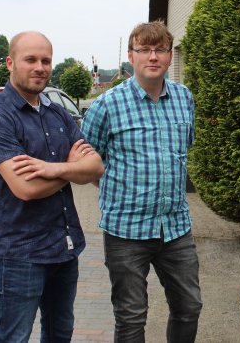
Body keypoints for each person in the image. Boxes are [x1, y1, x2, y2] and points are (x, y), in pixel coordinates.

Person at [0, 31, 104, 343]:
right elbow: (26, 188)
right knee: (14, 337)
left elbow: (96, 167)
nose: (40, 67)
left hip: (64, 246)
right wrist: (73, 169)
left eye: (46, 60)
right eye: (30, 59)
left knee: (60, 334)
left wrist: (52, 169)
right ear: (10, 63)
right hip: (22, 253)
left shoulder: (56, 112)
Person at [81, 21, 202, 342]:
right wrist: (118, 189)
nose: (153, 56)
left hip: (175, 228)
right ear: (130, 55)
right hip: (126, 231)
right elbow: (88, 163)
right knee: (131, 318)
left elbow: (183, 151)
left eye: (160, 50)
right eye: (144, 50)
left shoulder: (184, 98)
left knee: (189, 307)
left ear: (169, 56)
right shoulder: (107, 105)